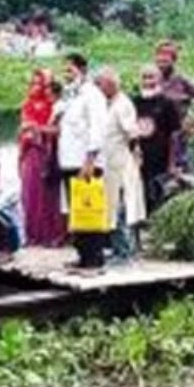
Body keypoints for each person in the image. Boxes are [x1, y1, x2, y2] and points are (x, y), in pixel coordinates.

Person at [57, 52, 109, 270]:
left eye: (71, 70)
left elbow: (98, 129)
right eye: (65, 70)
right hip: (68, 160)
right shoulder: (69, 95)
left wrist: (90, 160)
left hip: (85, 162)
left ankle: (94, 259)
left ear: (83, 70)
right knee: (76, 212)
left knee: (89, 210)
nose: (67, 74)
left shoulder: (92, 95)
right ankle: (82, 255)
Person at [96, 67, 146, 260]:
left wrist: (136, 156)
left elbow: (132, 134)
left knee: (122, 206)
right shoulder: (108, 103)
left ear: (110, 84)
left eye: (100, 85)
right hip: (109, 163)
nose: (99, 89)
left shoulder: (123, 104)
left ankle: (125, 251)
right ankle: (117, 248)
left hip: (120, 163)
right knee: (111, 207)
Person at [17, 67, 65, 248]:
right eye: (32, 83)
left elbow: (53, 129)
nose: (33, 87)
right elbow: (23, 130)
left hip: (46, 152)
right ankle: (31, 234)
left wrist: (34, 129)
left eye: (38, 83)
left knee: (48, 195)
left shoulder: (54, 104)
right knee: (30, 192)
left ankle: (50, 234)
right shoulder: (27, 104)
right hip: (30, 151)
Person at [155, 41, 194, 173]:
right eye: (160, 54)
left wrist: (192, 124)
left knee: (178, 176)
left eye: (167, 55)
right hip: (157, 137)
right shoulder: (153, 80)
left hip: (177, 138)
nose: (163, 58)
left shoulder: (182, 80)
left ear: (174, 59)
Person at [133, 65, 184, 213]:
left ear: (159, 79)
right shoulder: (134, 102)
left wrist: (172, 163)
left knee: (159, 194)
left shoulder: (167, 103)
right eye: (144, 77)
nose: (148, 81)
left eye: (151, 77)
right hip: (139, 158)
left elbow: (174, 135)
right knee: (140, 194)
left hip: (161, 158)